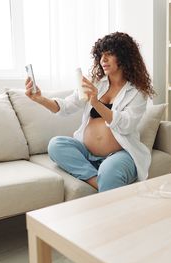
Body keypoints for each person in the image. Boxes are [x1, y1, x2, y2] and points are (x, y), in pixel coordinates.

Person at [24, 32, 155, 192]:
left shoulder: (137, 92)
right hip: (86, 152)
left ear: (124, 56)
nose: (103, 59)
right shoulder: (96, 84)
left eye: (109, 54)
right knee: (56, 144)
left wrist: (95, 102)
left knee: (110, 169)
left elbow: (126, 125)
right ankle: (98, 183)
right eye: (101, 55)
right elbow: (66, 107)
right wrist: (40, 99)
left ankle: (105, 180)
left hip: (120, 154)